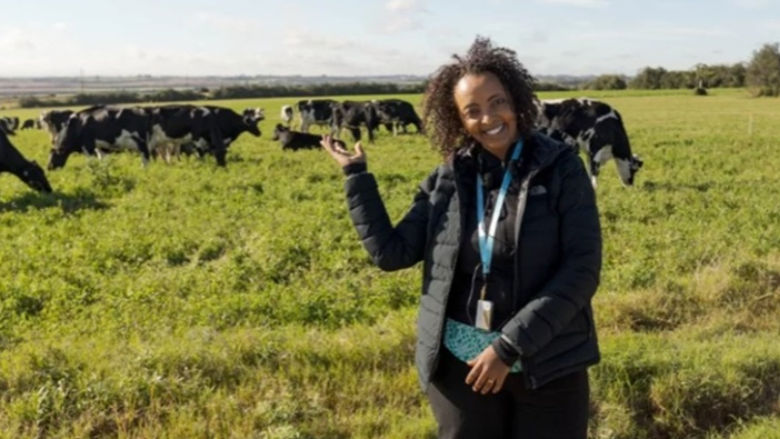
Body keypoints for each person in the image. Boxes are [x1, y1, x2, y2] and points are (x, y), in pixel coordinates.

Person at [322, 37, 601, 439]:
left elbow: (581, 269)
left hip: (548, 361)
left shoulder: (560, 169)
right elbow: (392, 253)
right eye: (472, 111)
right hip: (461, 366)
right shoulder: (449, 179)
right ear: (457, 120)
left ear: (516, 101)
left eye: (497, 102)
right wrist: (356, 177)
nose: (488, 117)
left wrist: (508, 348)